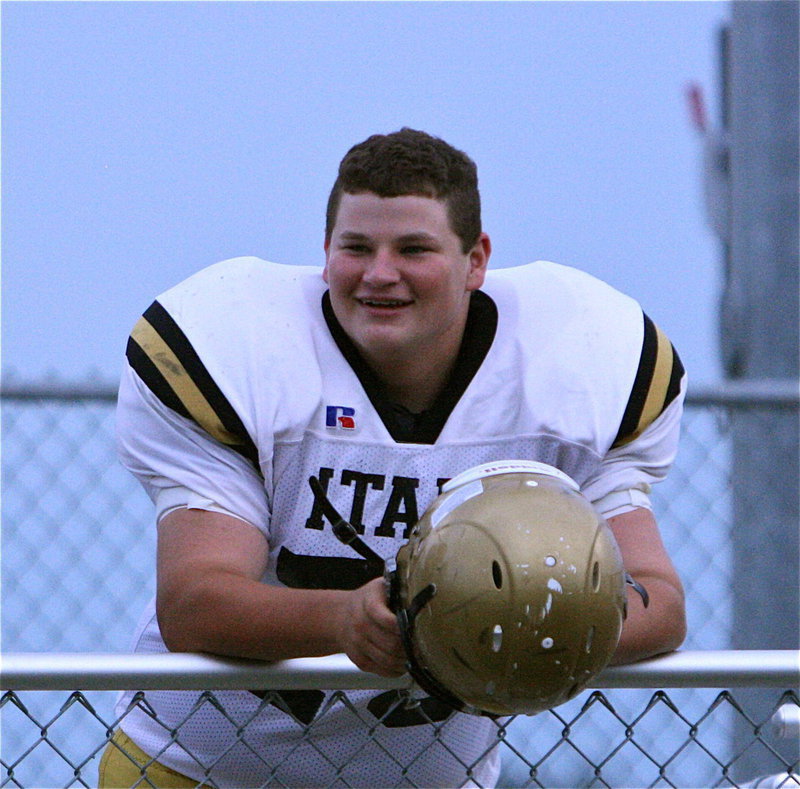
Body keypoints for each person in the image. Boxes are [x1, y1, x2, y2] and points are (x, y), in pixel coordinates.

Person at [100, 128, 687, 788]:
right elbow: (196, 601)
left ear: (475, 259)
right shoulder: (241, 349)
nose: (380, 273)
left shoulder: (573, 364)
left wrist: (535, 625)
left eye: (413, 249)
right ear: (325, 254)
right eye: (356, 247)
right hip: (199, 770)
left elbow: (659, 603)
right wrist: (348, 621)